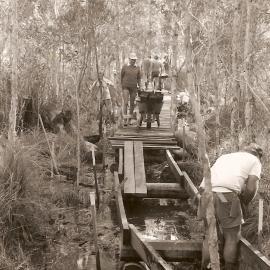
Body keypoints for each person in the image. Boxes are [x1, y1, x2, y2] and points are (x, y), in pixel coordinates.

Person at [199, 143, 263, 270]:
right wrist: (244, 203)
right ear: (258, 155)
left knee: (209, 235)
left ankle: (204, 267)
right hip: (224, 196)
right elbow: (251, 189)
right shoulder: (255, 161)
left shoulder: (225, 157)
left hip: (206, 194)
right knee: (232, 236)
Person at [121, 53, 141, 125]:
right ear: (129, 59)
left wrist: (140, 86)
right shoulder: (125, 66)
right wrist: (122, 85)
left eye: (135, 60)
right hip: (125, 86)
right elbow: (121, 76)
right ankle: (125, 119)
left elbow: (139, 78)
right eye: (132, 59)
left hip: (134, 87)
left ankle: (129, 119)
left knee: (132, 103)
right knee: (126, 102)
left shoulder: (137, 68)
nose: (133, 61)